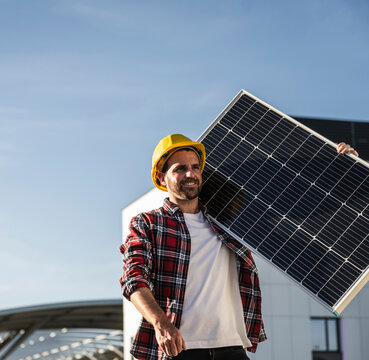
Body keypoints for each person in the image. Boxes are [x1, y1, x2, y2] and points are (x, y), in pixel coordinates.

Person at [120, 134, 358, 360]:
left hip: (232, 348)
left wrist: (340, 167)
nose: (190, 173)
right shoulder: (148, 223)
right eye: (180, 168)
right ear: (162, 178)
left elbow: (294, 196)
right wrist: (162, 325)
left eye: (194, 167)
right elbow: (134, 280)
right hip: (180, 348)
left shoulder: (228, 221)